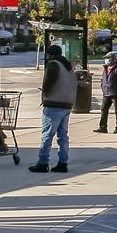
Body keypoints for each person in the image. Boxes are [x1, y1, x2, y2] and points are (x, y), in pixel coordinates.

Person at [33, 43, 75, 173]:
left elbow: (49, 83)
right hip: (67, 104)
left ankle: (43, 162)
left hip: (53, 104)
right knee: (63, 136)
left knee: (47, 134)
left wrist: (44, 92)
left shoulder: (53, 65)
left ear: (50, 55)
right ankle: (63, 162)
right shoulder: (68, 67)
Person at [99, 51, 117, 133]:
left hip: (116, 93)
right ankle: (102, 127)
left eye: (107, 58)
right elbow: (103, 79)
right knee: (103, 109)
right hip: (106, 93)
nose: (106, 60)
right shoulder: (105, 68)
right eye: (105, 58)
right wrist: (102, 86)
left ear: (112, 59)